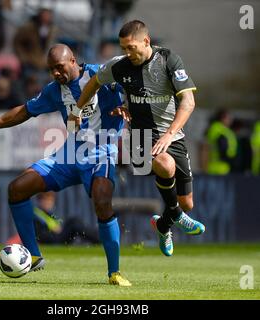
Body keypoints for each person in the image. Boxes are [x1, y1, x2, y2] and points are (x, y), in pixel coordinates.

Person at [0, 44, 131, 286]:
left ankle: (114, 272)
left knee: (102, 200)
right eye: (51, 70)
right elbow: (23, 112)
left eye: (59, 68)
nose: (55, 74)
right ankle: (34, 255)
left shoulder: (100, 74)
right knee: (17, 189)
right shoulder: (54, 90)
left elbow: (134, 85)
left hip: (101, 152)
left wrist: (128, 107)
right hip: (68, 155)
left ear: (73, 60)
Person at [69, 20, 205, 257]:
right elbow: (93, 83)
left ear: (146, 41)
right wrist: (76, 110)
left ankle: (165, 223)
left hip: (173, 135)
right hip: (139, 137)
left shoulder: (169, 60)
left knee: (187, 203)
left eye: (131, 47)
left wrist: (169, 135)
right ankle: (174, 214)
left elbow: (189, 102)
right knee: (165, 164)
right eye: (123, 48)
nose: (127, 53)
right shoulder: (119, 66)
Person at [206, 109, 238, 175]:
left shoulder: (223, 129)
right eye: (228, 118)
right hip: (219, 166)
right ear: (222, 118)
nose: (230, 120)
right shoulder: (218, 129)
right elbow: (221, 145)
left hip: (222, 165)